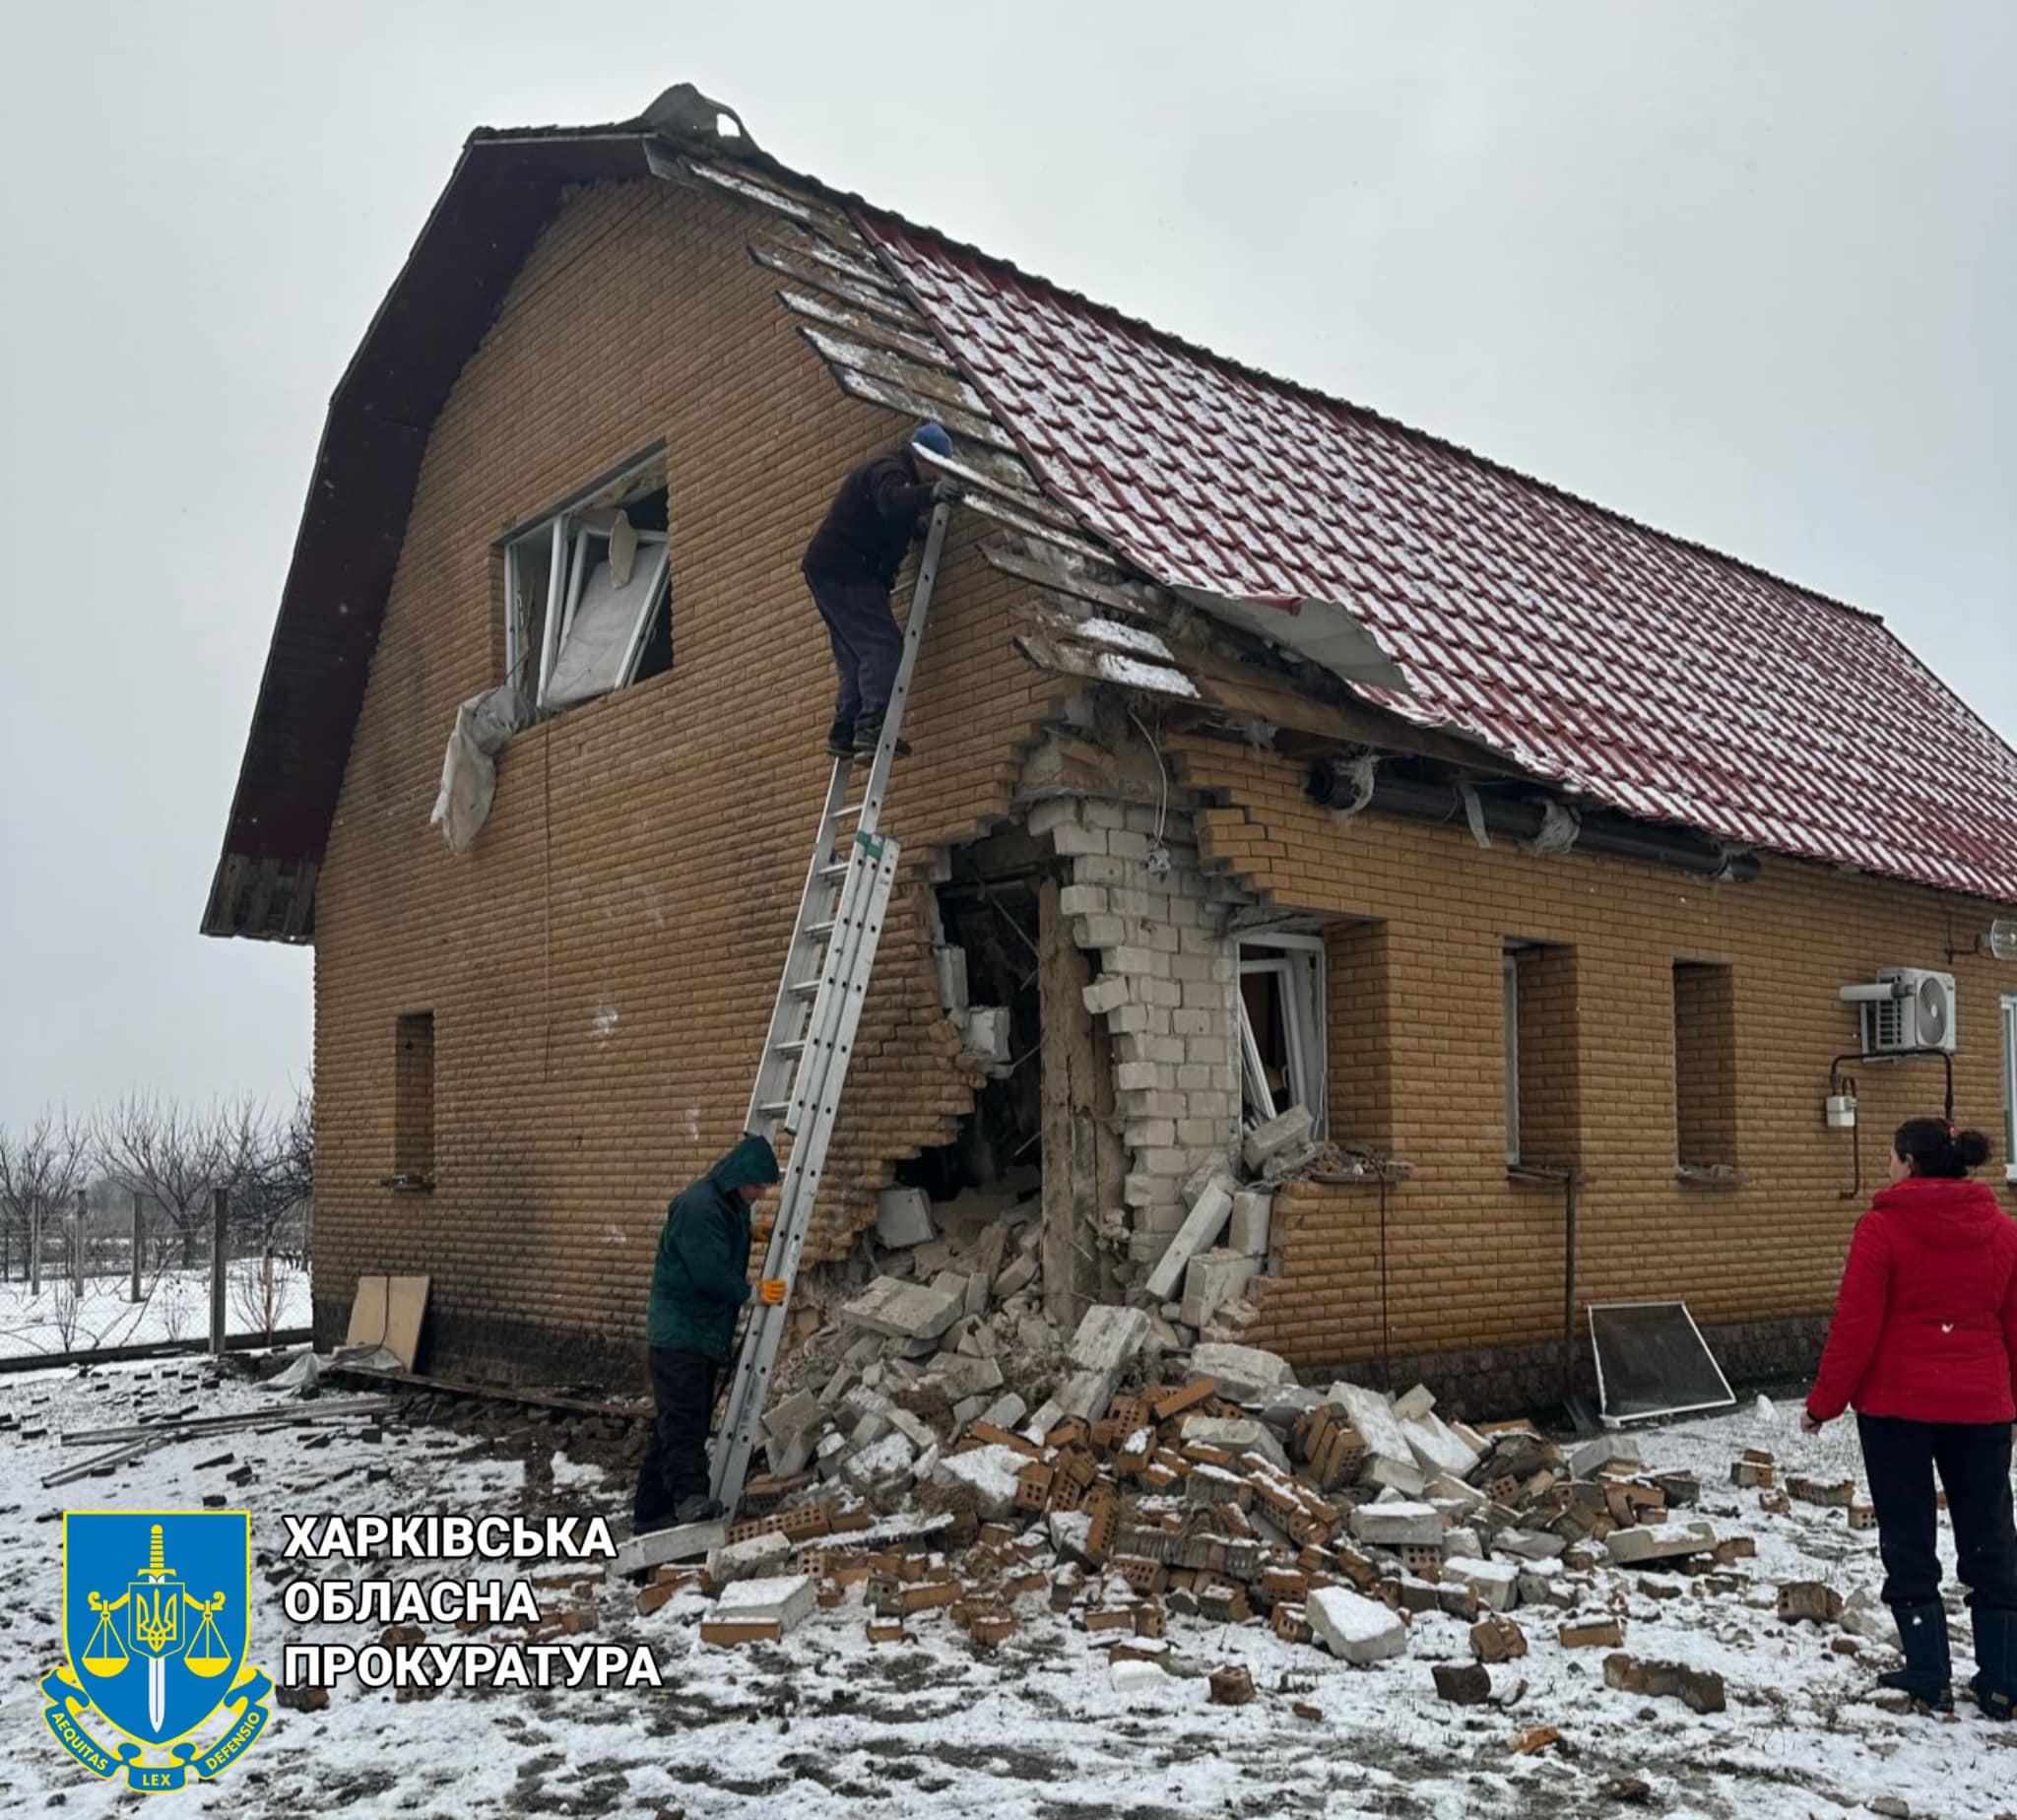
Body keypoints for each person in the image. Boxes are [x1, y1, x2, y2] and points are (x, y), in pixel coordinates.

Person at [1802, 1117, 2017, 1719]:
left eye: (1893, 1158)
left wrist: (1825, 1403)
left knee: (1907, 1534)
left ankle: (1927, 1672)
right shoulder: (2003, 1233)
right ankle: (2003, 1679)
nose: (1887, 1168)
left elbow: (1855, 1326)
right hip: (1981, 1409)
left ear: (1912, 1164)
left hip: (1897, 1409)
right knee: (1991, 1535)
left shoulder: (1882, 1230)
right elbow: (2015, 1327)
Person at [633, 1135, 784, 1533]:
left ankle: (651, 1515)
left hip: (697, 1335)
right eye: (758, 1187)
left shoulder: (727, 1203)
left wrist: (750, 1234)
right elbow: (708, 1270)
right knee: (684, 1422)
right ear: (741, 1178)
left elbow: (716, 1239)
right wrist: (752, 1294)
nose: (760, 1194)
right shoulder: (700, 1206)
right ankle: (689, 1500)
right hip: (681, 1335)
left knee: (674, 1425)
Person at [801, 420, 961, 758]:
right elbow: (892, 500)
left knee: (855, 657)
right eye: (937, 470)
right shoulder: (889, 469)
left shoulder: (891, 471)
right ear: (923, 458)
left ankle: (844, 731)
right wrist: (930, 495)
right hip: (849, 570)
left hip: (829, 568)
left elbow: (887, 513)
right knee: (882, 646)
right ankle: (872, 726)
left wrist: (914, 529)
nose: (938, 478)